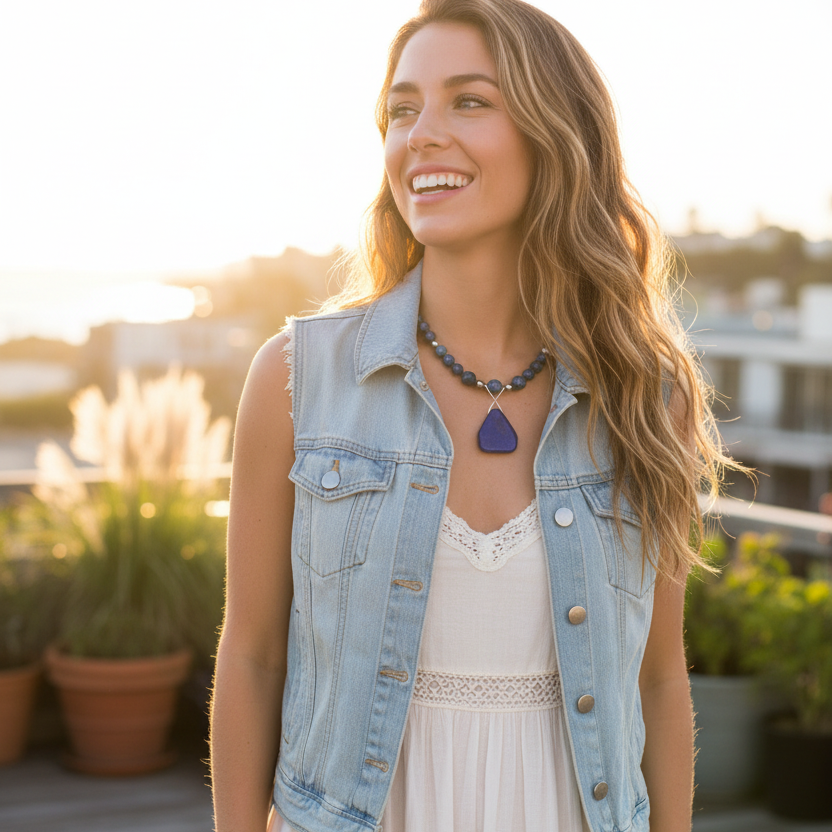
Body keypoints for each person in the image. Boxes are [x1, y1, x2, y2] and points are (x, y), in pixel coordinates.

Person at [210, 1, 735, 830]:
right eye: (402, 109)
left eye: (469, 100)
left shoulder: (646, 395)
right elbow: (251, 653)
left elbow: (659, 677)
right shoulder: (296, 378)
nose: (420, 134)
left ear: (553, 134)